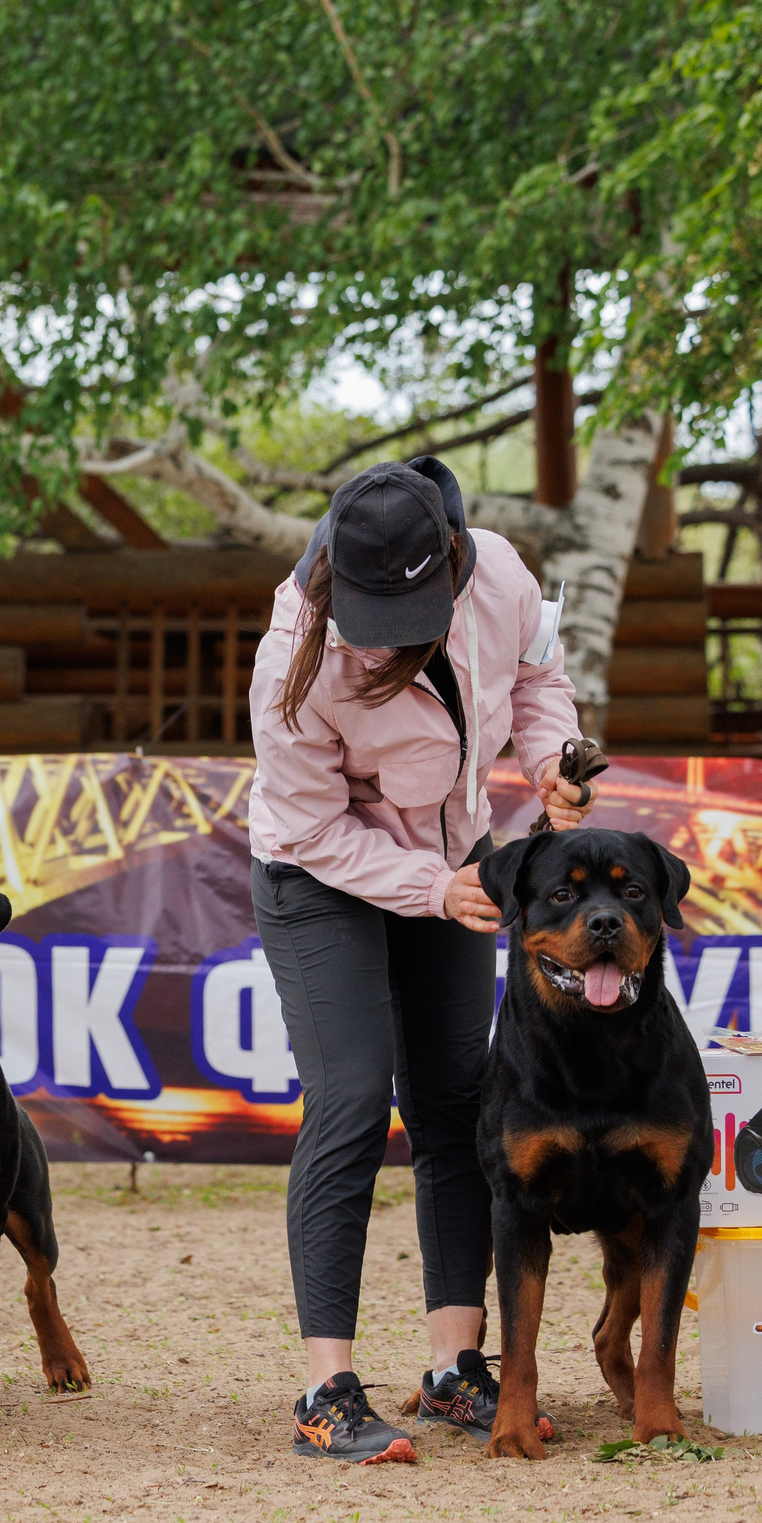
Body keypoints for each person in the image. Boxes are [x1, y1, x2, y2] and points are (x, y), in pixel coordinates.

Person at [247, 457, 593, 1463]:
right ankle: (325, 1390)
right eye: (369, 611)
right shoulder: (293, 656)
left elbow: (539, 681)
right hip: (320, 874)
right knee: (351, 1097)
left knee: (454, 1097)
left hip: (453, 859)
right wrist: (433, 889)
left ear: (451, 562)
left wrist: (550, 759)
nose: (388, 634)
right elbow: (312, 831)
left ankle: (454, 1368)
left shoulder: (501, 574)